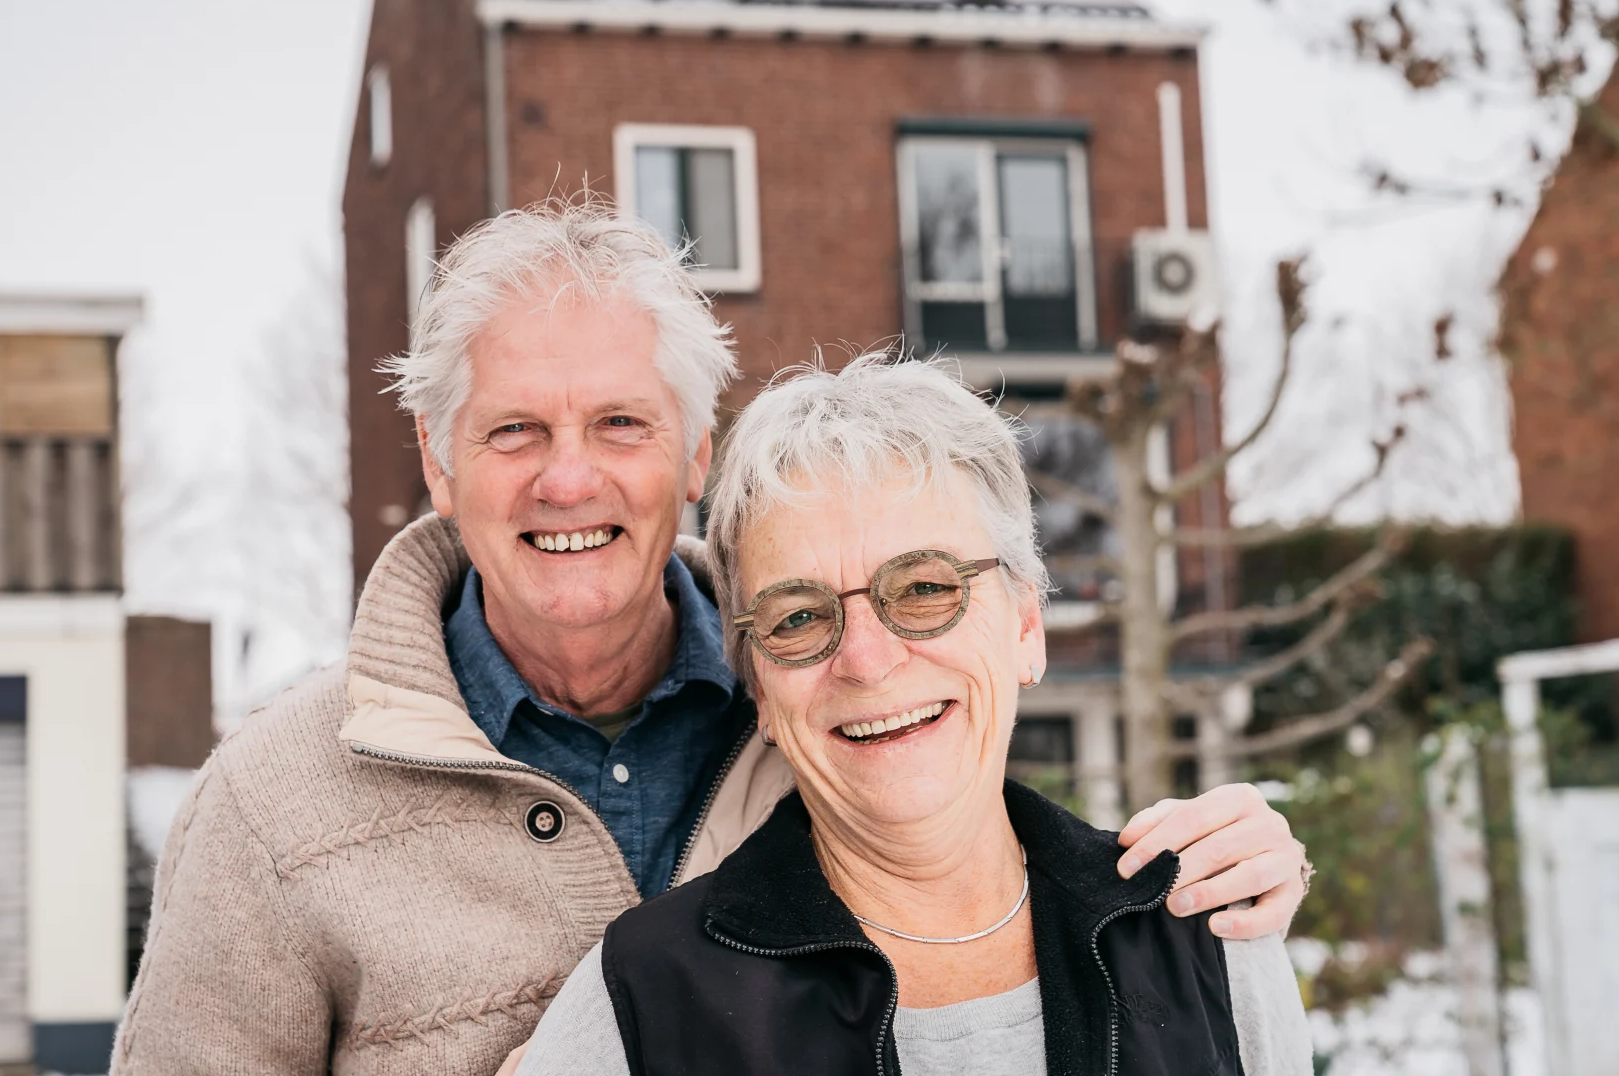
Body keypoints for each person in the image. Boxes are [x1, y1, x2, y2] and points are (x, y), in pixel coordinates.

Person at [113, 203, 1309, 1076]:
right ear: (438, 461)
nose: (568, 476)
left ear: (695, 451)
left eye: (621, 421)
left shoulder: (823, 695)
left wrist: (1230, 874)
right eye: (515, 429)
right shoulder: (272, 806)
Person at [516, 354, 1311, 1076]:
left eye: (926, 589)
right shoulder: (643, 1004)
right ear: (757, 687)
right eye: (798, 617)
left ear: (1026, 627)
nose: (866, 658)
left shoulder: (1204, 942)